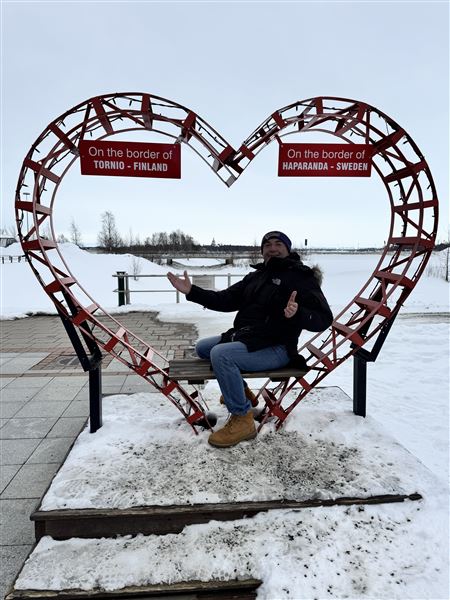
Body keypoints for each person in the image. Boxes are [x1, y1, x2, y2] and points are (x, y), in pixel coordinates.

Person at [167, 230, 333, 448]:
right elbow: (225, 299)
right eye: (267, 245)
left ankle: (242, 418)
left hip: (277, 347)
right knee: (203, 348)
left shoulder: (301, 278)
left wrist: (298, 313)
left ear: (287, 249)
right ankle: (242, 391)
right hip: (251, 338)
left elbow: (323, 319)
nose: (272, 248)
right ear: (262, 251)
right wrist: (192, 291)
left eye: (278, 244)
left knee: (221, 355)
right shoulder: (257, 276)